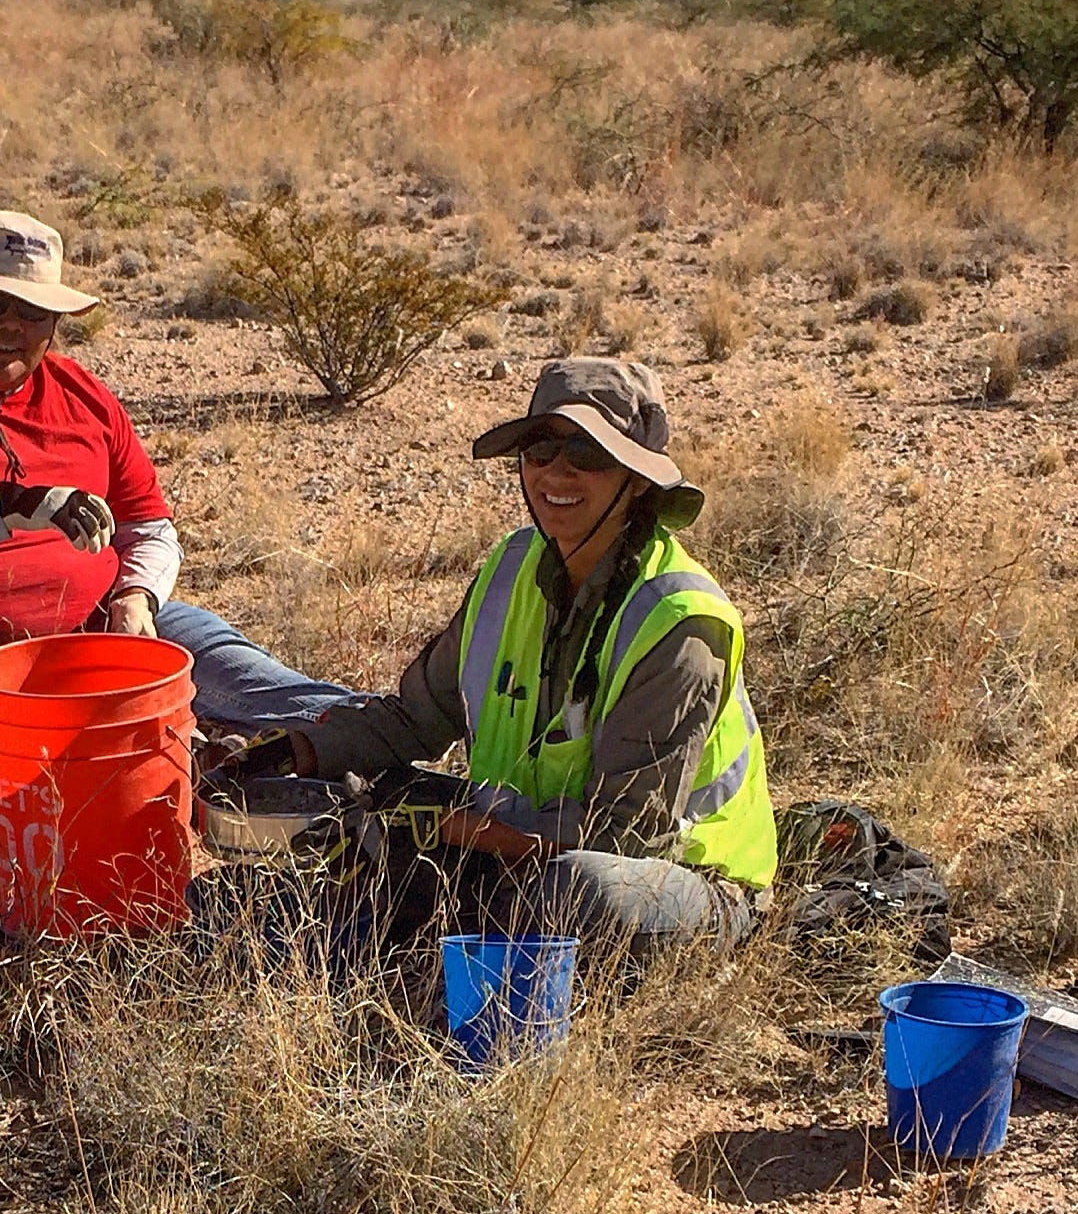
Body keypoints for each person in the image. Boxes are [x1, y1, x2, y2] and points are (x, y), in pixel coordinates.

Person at [250, 357, 775, 954]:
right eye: (539, 450)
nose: (558, 473)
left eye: (589, 454)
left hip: (685, 883)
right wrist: (295, 750)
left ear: (636, 480)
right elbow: (418, 719)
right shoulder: (509, 568)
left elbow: (624, 837)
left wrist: (456, 833)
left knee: (573, 892)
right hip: (520, 839)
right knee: (385, 805)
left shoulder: (681, 625)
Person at [0, 208, 359, 729]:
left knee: (274, 691)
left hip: (88, 626)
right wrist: (8, 507)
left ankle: (384, 755)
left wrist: (136, 597)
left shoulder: (83, 396)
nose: (12, 328)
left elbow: (149, 530)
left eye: (33, 312)